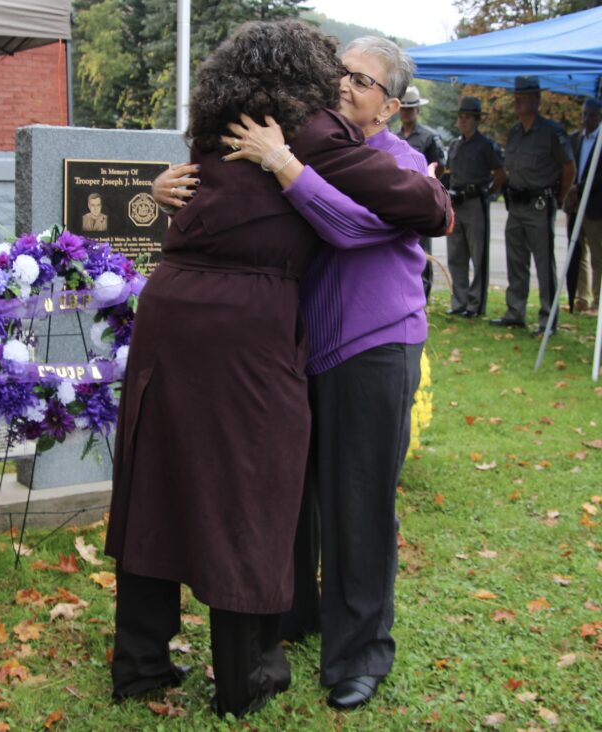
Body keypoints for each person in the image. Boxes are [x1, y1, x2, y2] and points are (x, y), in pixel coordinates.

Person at [106, 22, 449, 718]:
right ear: (308, 76)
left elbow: (221, 210)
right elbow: (429, 209)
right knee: (249, 493)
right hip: (247, 330)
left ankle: (141, 661)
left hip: (179, 317)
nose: (343, 86)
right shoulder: (310, 131)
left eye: (361, 79)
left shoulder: (224, 127)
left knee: (158, 481)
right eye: (337, 72)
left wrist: (180, 184)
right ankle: (245, 675)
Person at [491, 76, 575, 336]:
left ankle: (548, 319)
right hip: (516, 206)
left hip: (540, 204)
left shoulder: (551, 132)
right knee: (516, 261)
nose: (517, 100)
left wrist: (558, 197)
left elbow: (568, 168)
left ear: (536, 100)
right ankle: (515, 312)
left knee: (544, 263)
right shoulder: (515, 132)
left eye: (524, 96)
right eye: (516, 95)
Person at [443, 96, 505, 317]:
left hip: (475, 202)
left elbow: (500, 173)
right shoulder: (455, 145)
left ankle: (475, 304)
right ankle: (459, 301)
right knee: (456, 254)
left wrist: (487, 193)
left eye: (467, 117)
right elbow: (448, 173)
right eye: (460, 117)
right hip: (456, 202)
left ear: (476, 120)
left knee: (478, 256)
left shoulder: (485, 145)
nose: (462, 121)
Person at [395, 85, 445, 299]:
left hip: (421, 198)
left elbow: (439, 167)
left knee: (422, 250)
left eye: (411, 108)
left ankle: (423, 293)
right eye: (404, 108)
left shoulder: (429, 137)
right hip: (399, 200)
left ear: (418, 110)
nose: (407, 113)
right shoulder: (394, 137)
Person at [566, 98, 601, 315]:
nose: (587, 119)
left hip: (596, 207)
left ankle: (598, 301)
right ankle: (581, 298)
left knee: (598, 255)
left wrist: (580, 188)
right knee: (577, 254)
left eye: (592, 115)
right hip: (574, 206)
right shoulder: (574, 139)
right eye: (584, 114)